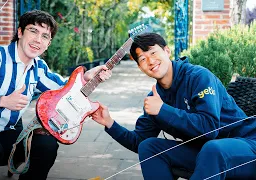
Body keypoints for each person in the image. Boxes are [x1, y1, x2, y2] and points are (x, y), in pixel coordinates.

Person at [0, 10, 111, 180]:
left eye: (45, 36)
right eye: (33, 31)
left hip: (4, 134)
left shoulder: (38, 67)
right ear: (20, 32)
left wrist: (86, 77)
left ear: (48, 43)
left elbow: (64, 89)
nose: (38, 40)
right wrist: (2, 101)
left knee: (46, 145)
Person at [91, 32, 256, 180]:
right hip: (205, 153)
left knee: (213, 149)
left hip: (246, 147)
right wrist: (109, 123)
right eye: (142, 59)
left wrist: (163, 110)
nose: (150, 60)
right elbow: (139, 141)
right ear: (141, 68)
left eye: (153, 52)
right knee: (149, 147)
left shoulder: (199, 77)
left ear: (167, 51)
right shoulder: (155, 98)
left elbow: (210, 129)